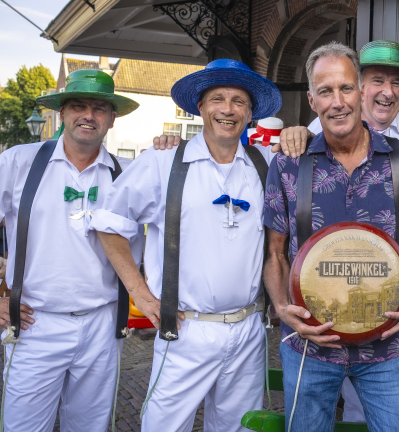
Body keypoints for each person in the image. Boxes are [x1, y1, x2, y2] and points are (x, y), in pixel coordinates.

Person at [0, 69, 144, 432]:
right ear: (63, 113)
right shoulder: (20, 161)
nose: (89, 115)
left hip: (103, 324)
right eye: (79, 106)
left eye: (100, 108)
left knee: (90, 427)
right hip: (37, 322)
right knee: (24, 426)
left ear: (112, 118)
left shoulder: (128, 174)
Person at [92, 59, 282, 432]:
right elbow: (109, 225)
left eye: (239, 101)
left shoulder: (266, 164)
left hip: (248, 329)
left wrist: (299, 135)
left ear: (250, 113)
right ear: (200, 107)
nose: (228, 110)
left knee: (240, 428)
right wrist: (140, 294)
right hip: (184, 331)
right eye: (218, 99)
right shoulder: (163, 161)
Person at [263, 41, 399, 432]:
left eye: (345, 88)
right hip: (310, 346)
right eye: (325, 91)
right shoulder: (289, 163)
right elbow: (274, 251)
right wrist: (280, 306)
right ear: (311, 99)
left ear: (360, 91)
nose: (337, 101)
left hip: (387, 347)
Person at [280, 40, 399, 197]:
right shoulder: (320, 127)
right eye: (378, 81)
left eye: (396, 83)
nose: (389, 92)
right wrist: (296, 136)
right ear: (360, 87)